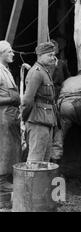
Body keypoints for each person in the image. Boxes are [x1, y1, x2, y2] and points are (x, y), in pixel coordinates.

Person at [21, 42, 58, 162]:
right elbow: (27, 100)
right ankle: (30, 182)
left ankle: (41, 181)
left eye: (54, 55)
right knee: (35, 159)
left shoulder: (44, 71)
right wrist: (26, 117)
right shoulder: (36, 72)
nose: (53, 58)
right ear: (40, 55)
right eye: (50, 55)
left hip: (46, 120)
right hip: (37, 120)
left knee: (45, 160)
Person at [0, 41, 21, 193]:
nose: (13, 54)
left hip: (11, 114)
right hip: (3, 115)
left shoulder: (6, 70)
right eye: (10, 52)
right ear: (1, 53)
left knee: (13, 146)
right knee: (5, 147)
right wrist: (11, 99)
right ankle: (1, 181)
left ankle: (8, 177)